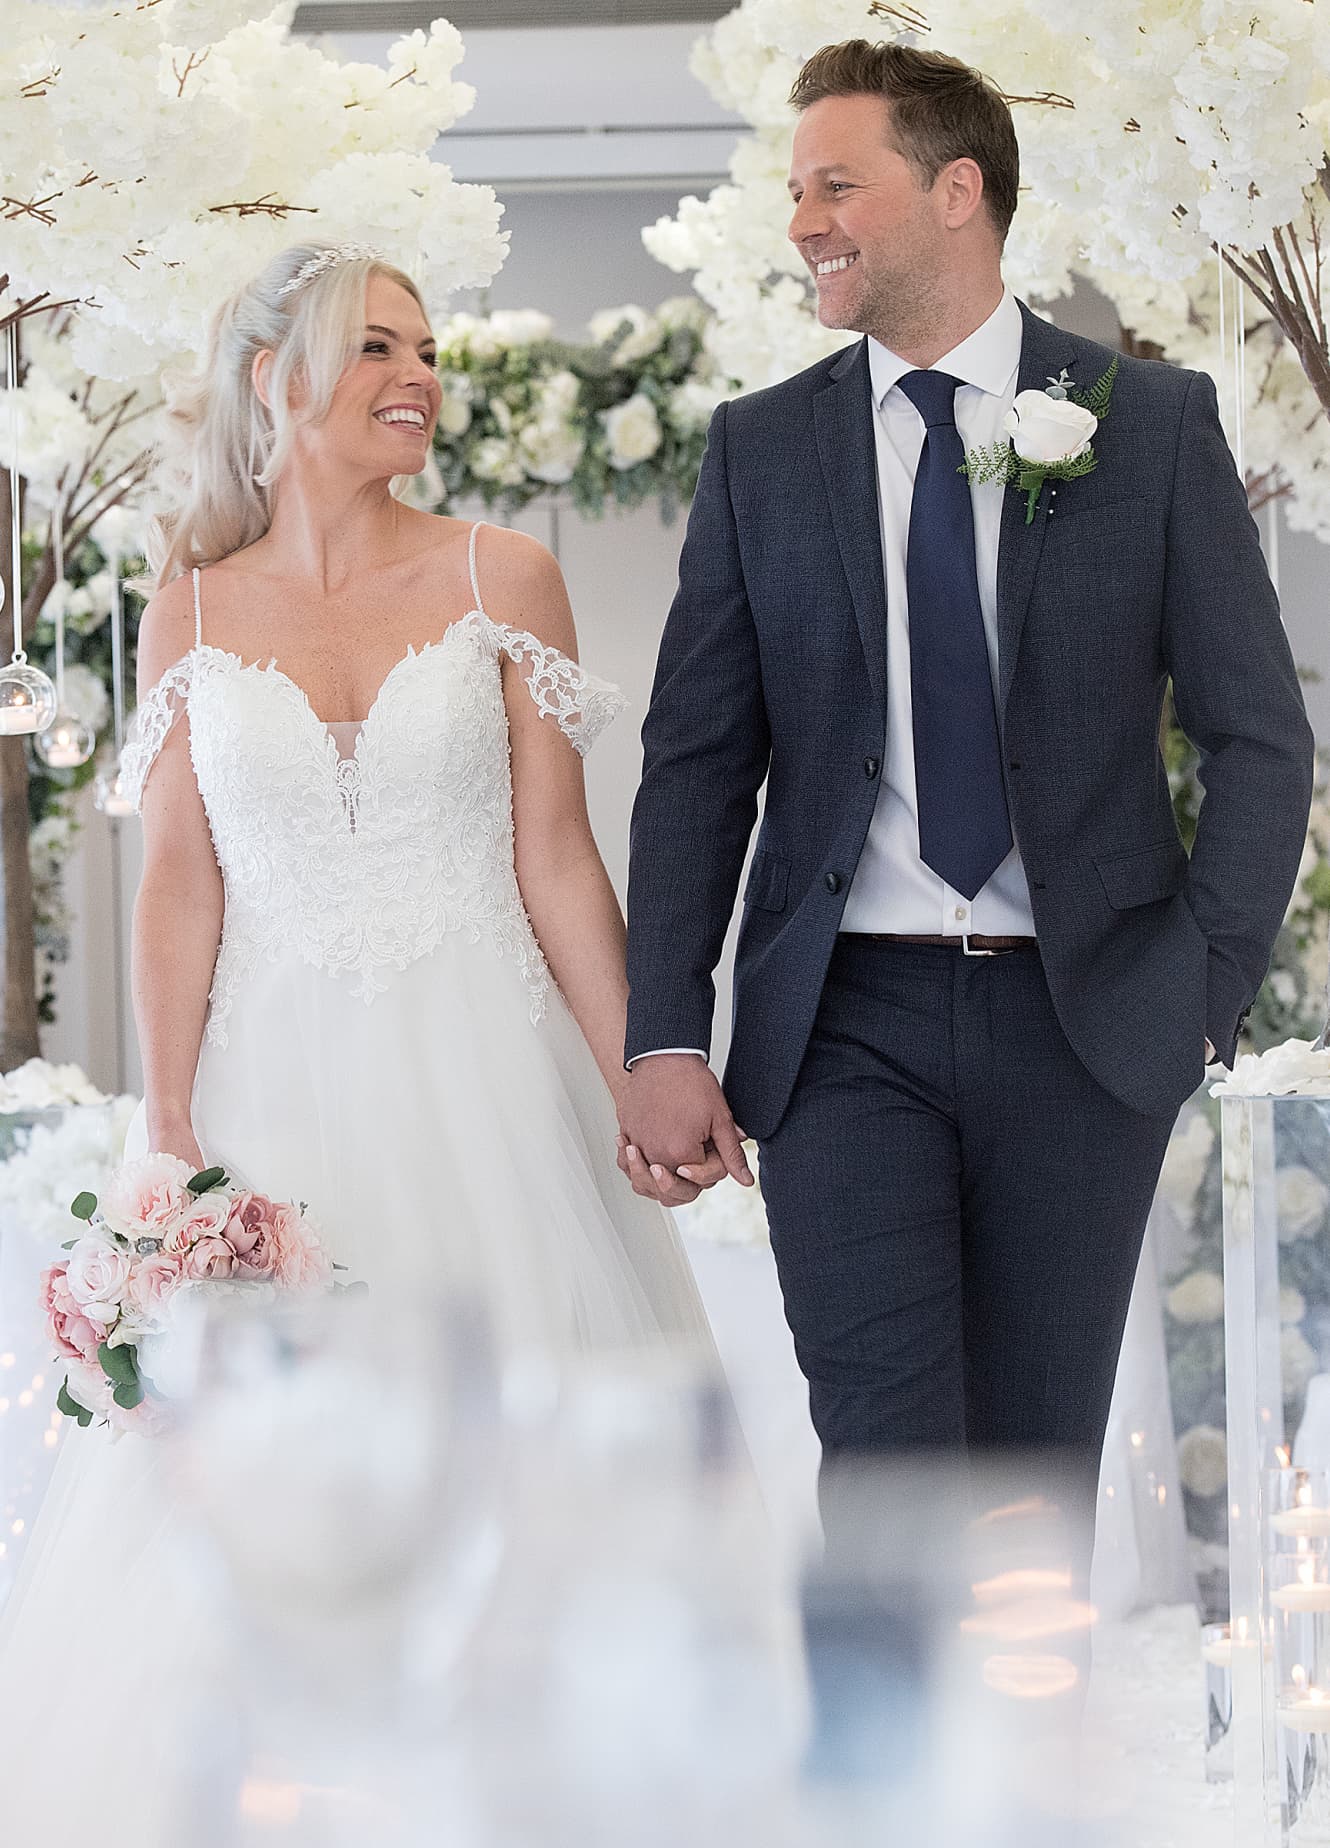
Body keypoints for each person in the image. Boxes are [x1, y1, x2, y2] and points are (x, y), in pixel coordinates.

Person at [0, 243, 711, 1839]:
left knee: (537, 1467)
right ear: (278, 378)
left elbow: (556, 860)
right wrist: (168, 1126)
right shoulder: (182, 602)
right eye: (376, 345)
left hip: (493, 1077)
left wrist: (637, 1074)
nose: (420, 377)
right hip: (273, 1107)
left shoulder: (496, 575)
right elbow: (178, 882)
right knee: (263, 1504)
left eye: (428, 347)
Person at [618, 40, 1314, 1554]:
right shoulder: (759, 451)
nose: (801, 220)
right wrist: (666, 1028)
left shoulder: (1149, 428)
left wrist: (1199, 986)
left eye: (833, 184)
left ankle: (1008, 1790)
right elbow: (694, 762)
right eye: (793, 190)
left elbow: (1259, 738)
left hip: (1085, 1024)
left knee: (1030, 1485)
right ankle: (879, 1791)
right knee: (880, 1468)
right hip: (839, 1028)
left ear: (955, 191)